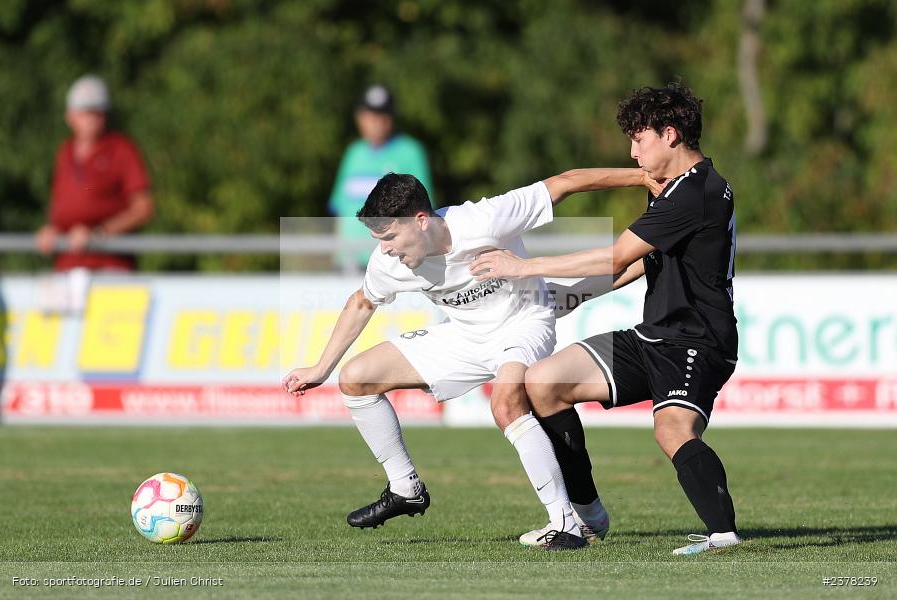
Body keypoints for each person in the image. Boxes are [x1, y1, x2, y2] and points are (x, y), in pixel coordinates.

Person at [283, 168, 659, 549]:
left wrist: (644, 177)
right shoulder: (389, 262)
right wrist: (320, 369)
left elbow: (563, 184)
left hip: (523, 323)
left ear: (421, 220)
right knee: (356, 378)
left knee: (505, 403)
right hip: (463, 336)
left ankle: (564, 523)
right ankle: (405, 487)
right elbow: (362, 302)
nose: (386, 249)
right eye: (379, 240)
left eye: (390, 237)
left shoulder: (484, 219)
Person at [469, 83, 742, 556]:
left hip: (697, 340)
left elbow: (616, 256)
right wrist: (572, 297)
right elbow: (641, 263)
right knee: (544, 382)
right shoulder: (675, 189)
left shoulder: (695, 192)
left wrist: (523, 267)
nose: (633, 152)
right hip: (655, 335)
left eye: (639, 139)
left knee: (672, 430)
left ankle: (723, 535)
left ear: (671, 135)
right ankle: (587, 517)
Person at [35, 75, 154, 271]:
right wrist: (51, 230)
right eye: (84, 112)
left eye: (96, 112)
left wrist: (99, 234)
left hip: (110, 266)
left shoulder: (121, 149)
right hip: (68, 266)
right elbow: (60, 207)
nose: (90, 119)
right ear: (70, 117)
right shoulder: (64, 153)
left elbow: (144, 208)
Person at [328, 85, 432, 272]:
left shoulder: (410, 153)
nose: (375, 122)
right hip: (348, 261)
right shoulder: (353, 153)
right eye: (370, 115)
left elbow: (422, 212)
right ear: (360, 117)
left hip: (391, 261)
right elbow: (340, 207)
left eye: (382, 115)